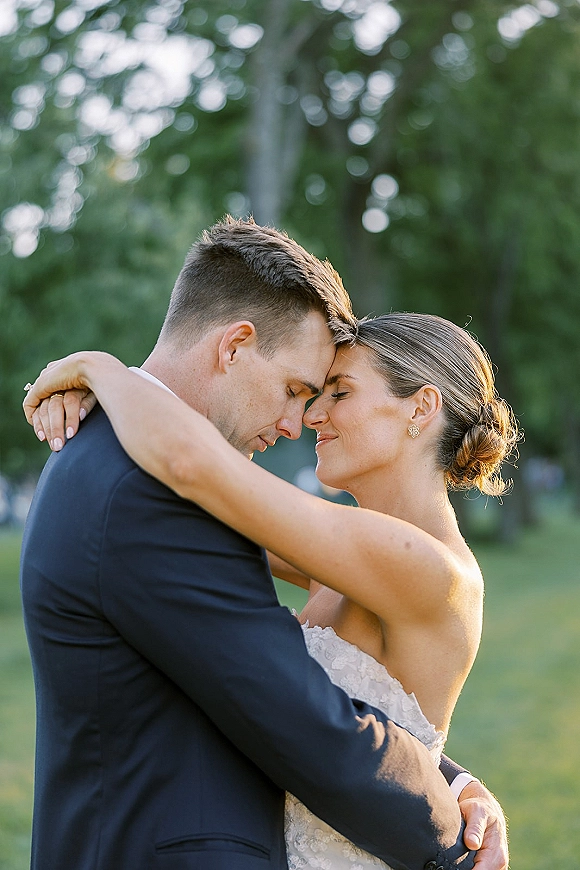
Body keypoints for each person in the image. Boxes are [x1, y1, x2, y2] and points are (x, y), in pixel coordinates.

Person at [21, 218, 508, 870]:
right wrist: (451, 797)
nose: (306, 418)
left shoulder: (417, 564)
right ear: (235, 347)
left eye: (335, 393)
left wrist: (99, 369)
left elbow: (310, 705)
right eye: (302, 390)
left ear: (420, 410)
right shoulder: (161, 499)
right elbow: (302, 704)